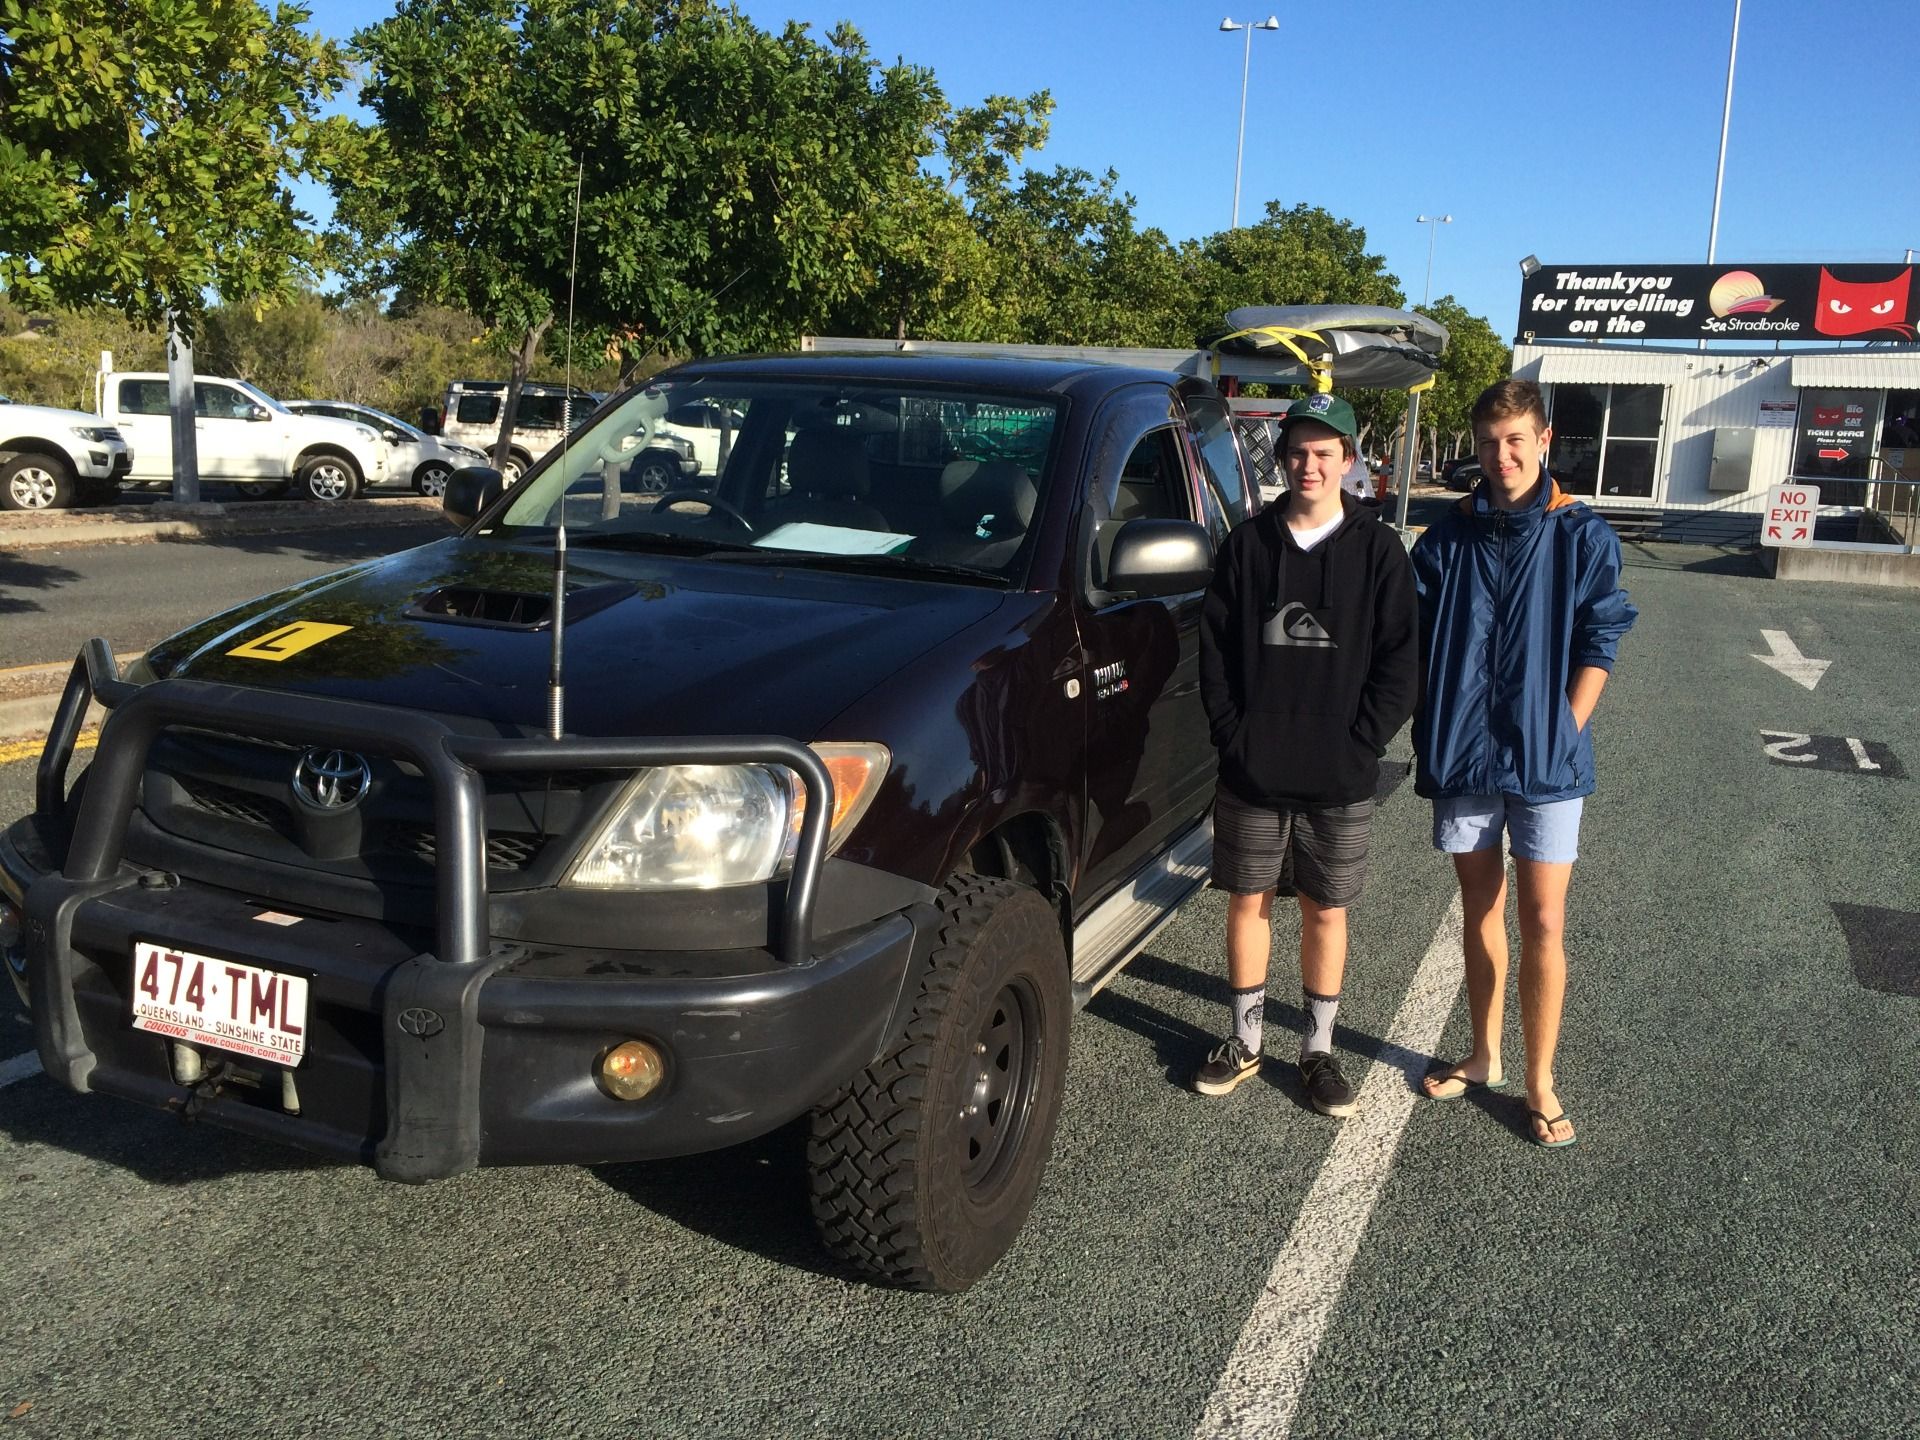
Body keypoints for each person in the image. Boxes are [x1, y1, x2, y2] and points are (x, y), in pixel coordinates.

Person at [1409, 378, 1636, 1148]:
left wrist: (1566, 728)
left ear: (1544, 442)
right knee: (1480, 907)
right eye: (1487, 442)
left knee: (1542, 917)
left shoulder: (1581, 535)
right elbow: (1404, 635)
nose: (1501, 456)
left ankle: (1540, 1079)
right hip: (1466, 753)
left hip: (1547, 759)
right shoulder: (1445, 538)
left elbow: (1601, 639)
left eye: (1515, 440)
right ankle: (1483, 1052)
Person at [1195, 392, 1419, 1116]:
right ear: (1281, 456)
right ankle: (1246, 1040)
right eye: (1298, 451)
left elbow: (1399, 664)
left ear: (1349, 461)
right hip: (1253, 769)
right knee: (1247, 899)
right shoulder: (1248, 545)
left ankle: (1317, 1050)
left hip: (1339, 773)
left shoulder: (1379, 551)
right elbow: (1216, 656)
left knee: (1326, 908)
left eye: (1325, 452)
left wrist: (1361, 746)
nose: (1309, 464)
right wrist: (1235, 737)